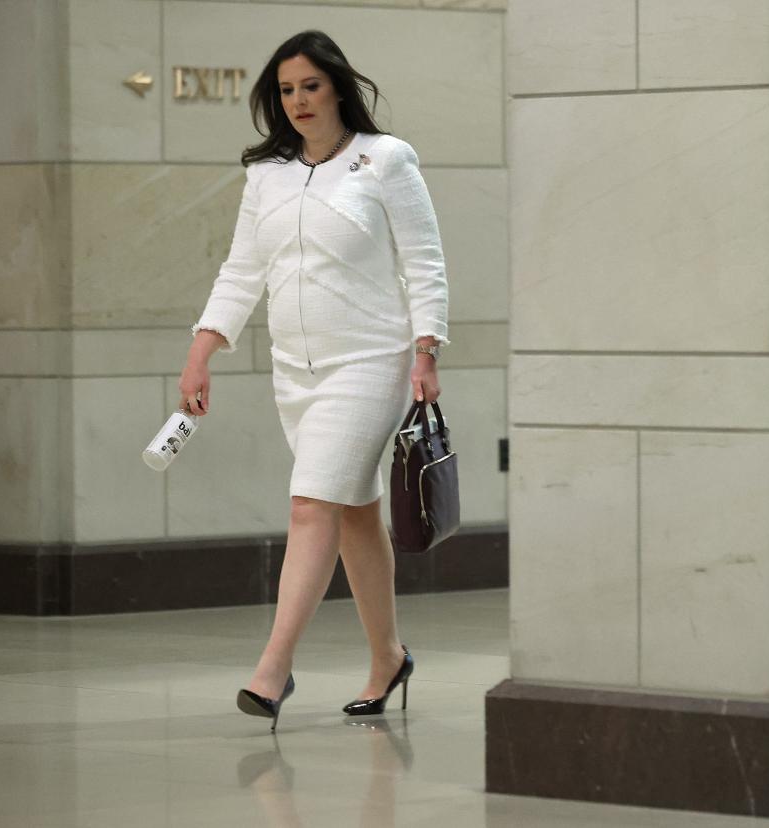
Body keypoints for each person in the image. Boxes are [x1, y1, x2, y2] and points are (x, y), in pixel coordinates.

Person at [177, 29, 449, 730]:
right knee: (353, 512)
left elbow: (423, 260)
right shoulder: (265, 173)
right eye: (286, 89)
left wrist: (427, 350)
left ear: (337, 86)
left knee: (310, 506)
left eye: (310, 86)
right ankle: (388, 656)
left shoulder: (384, 159)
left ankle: (273, 670)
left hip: (369, 362)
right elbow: (242, 270)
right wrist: (202, 351)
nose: (298, 100)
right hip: (295, 373)